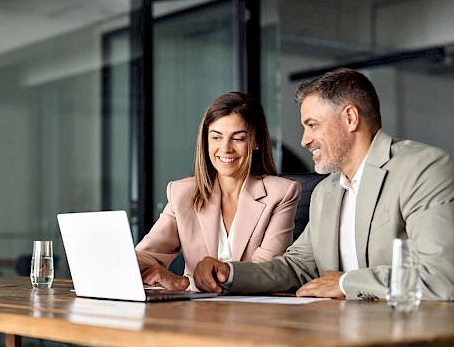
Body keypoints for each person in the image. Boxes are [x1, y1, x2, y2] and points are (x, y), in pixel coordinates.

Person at [194, 68, 454, 300]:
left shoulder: (423, 168)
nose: (305, 140)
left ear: (350, 118)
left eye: (312, 125)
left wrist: (345, 283)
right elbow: (296, 266)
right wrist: (228, 273)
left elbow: (441, 277)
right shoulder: (326, 191)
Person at [136, 92, 302, 291]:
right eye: (216, 137)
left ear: (256, 141)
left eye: (238, 139)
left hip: (254, 310)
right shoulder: (182, 193)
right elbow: (148, 254)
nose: (225, 148)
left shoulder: (281, 193)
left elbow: (266, 272)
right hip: (196, 311)